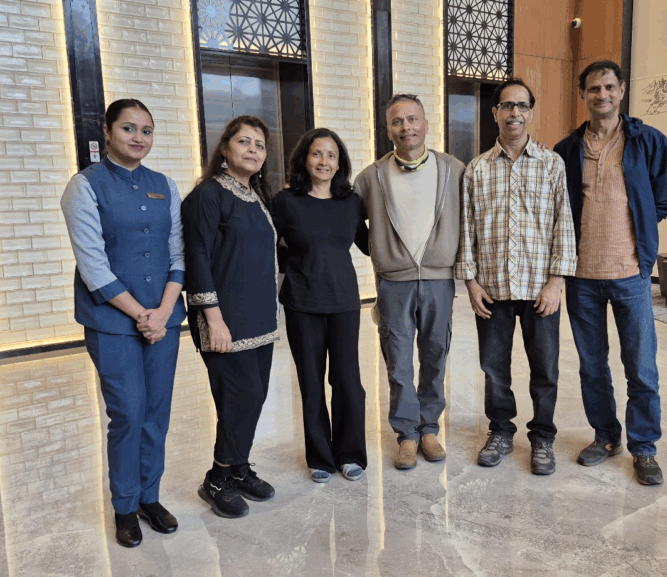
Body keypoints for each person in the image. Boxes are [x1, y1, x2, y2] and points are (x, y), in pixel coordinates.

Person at [61, 99, 185, 547]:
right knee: (129, 413)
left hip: (164, 319)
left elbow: (178, 253)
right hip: (112, 322)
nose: (138, 138)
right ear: (108, 131)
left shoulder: (165, 185)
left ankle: (150, 497)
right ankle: (125, 506)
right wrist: (141, 315)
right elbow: (93, 265)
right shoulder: (84, 186)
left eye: (146, 130)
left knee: (157, 413)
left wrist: (164, 312)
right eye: (129, 128)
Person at [552, 60, 667, 486]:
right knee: (592, 366)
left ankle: (644, 447)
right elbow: (559, 208)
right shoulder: (566, 150)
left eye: (608, 87)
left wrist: (639, 239)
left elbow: (662, 200)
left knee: (641, 367)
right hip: (581, 276)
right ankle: (606, 437)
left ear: (621, 90)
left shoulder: (648, 141)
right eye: (593, 89)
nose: (601, 95)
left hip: (631, 274)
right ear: (583, 95)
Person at [455, 79, 577, 476]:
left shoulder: (551, 164)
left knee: (545, 369)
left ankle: (542, 437)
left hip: (540, 289)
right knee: (494, 369)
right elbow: (466, 229)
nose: (515, 113)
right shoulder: (476, 169)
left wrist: (556, 282)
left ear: (531, 112)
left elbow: (563, 226)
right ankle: (501, 432)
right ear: (495, 112)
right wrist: (471, 282)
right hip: (492, 288)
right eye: (507, 105)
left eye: (522, 105)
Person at [353, 94, 464, 470]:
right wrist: (380, 249)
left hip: (438, 280)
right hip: (394, 283)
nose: (406, 127)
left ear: (426, 125)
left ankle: (429, 429)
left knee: (435, 356)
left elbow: (469, 219)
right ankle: (407, 434)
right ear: (388, 130)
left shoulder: (452, 169)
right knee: (398, 362)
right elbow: (352, 222)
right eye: (397, 121)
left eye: (413, 119)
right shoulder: (371, 176)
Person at [182, 116, 280, 518]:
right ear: (225, 148)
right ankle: (217, 478)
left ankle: (239, 467)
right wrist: (214, 318)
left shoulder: (256, 196)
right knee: (240, 396)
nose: (253, 150)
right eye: (244, 142)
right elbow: (197, 258)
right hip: (223, 319)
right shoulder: (208, 195)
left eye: (260, 144)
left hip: (259, 318)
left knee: (254, 396)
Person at [271, 128, 370, 484]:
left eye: (331, 155)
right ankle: (320, 457)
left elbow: (369, 244)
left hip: (344, 301)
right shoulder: (286, 201)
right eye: (317, 154)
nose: (324, 161)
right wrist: (295, 265)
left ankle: (350, 453)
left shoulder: (351, 201)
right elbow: (268, 245)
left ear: (339, 162)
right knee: (311, 382)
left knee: (347, 381)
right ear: (304, 158)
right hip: (302, 302)